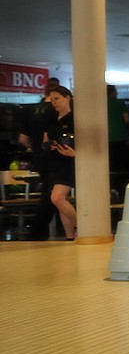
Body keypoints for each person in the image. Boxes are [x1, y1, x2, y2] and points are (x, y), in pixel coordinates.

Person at [18, 80, 59, 239]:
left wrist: (34, 147)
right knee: (52, 193)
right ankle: (38, 230)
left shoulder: (29, 110)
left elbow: (23, 139)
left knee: (49, 192)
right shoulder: (57, 111)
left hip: (39, 157)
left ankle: (39, 231)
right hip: (57, 156)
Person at [42, 86, 77, 240]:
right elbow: (45, 140)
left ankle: (83, 226)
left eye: (57, 99)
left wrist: (74, 153)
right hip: (54, 162)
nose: (54, 102)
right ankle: (70, 236)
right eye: (52, 100)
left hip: (69, 163)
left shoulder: (75, 119)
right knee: (61, 201)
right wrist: (48, 145)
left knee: (57, 198)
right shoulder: (51, 119)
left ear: (67, 98)